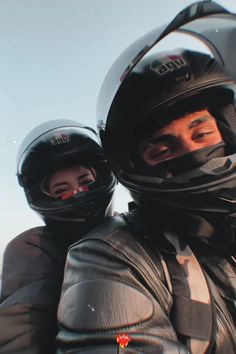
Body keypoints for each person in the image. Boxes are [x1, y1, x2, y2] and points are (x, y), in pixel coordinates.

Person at [56, 50, 236, 354]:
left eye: (203, 133)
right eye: (162, 151)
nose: (192, 155)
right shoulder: (112, 253)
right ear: (137, 167)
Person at [0, 119, 116, 354]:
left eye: (86, 182)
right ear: (44, 199)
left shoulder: (134, 228)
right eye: (61, 190)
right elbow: (23, 320)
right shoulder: (34, 247)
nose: (77, 193)